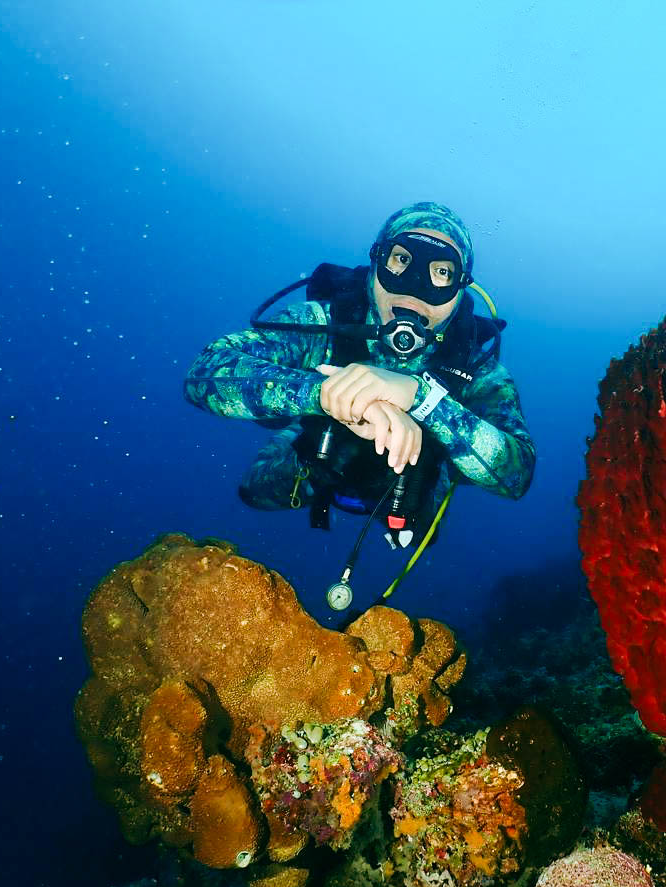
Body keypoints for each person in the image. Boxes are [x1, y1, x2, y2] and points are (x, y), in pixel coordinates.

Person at [183, 202, 535, 609]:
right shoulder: (321, 323)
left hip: (413, 491)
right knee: (258, 490)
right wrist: (329, 395)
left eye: (442, 272)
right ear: (376, 261)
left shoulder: (476, 366)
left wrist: (420, 399)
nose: (415, 286)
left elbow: (518, 474)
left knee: (419, 531)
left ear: (460, 290)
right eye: (402, 260)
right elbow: (203, 374)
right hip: (313, 457)